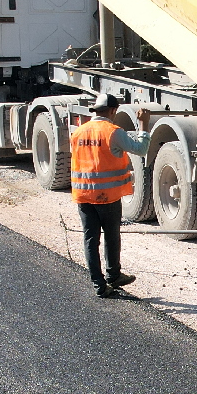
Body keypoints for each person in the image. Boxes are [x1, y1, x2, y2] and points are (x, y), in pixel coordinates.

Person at [69, 94, 150, 298]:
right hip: (107, 196)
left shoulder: (78, 132)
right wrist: (143, 125)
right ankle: (113, 275)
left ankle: (99, 284)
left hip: (83, 194)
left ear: (96, 111)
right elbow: (141, 149)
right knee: (111, 236)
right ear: (113, 111)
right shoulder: (112, 132)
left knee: (90, 239)